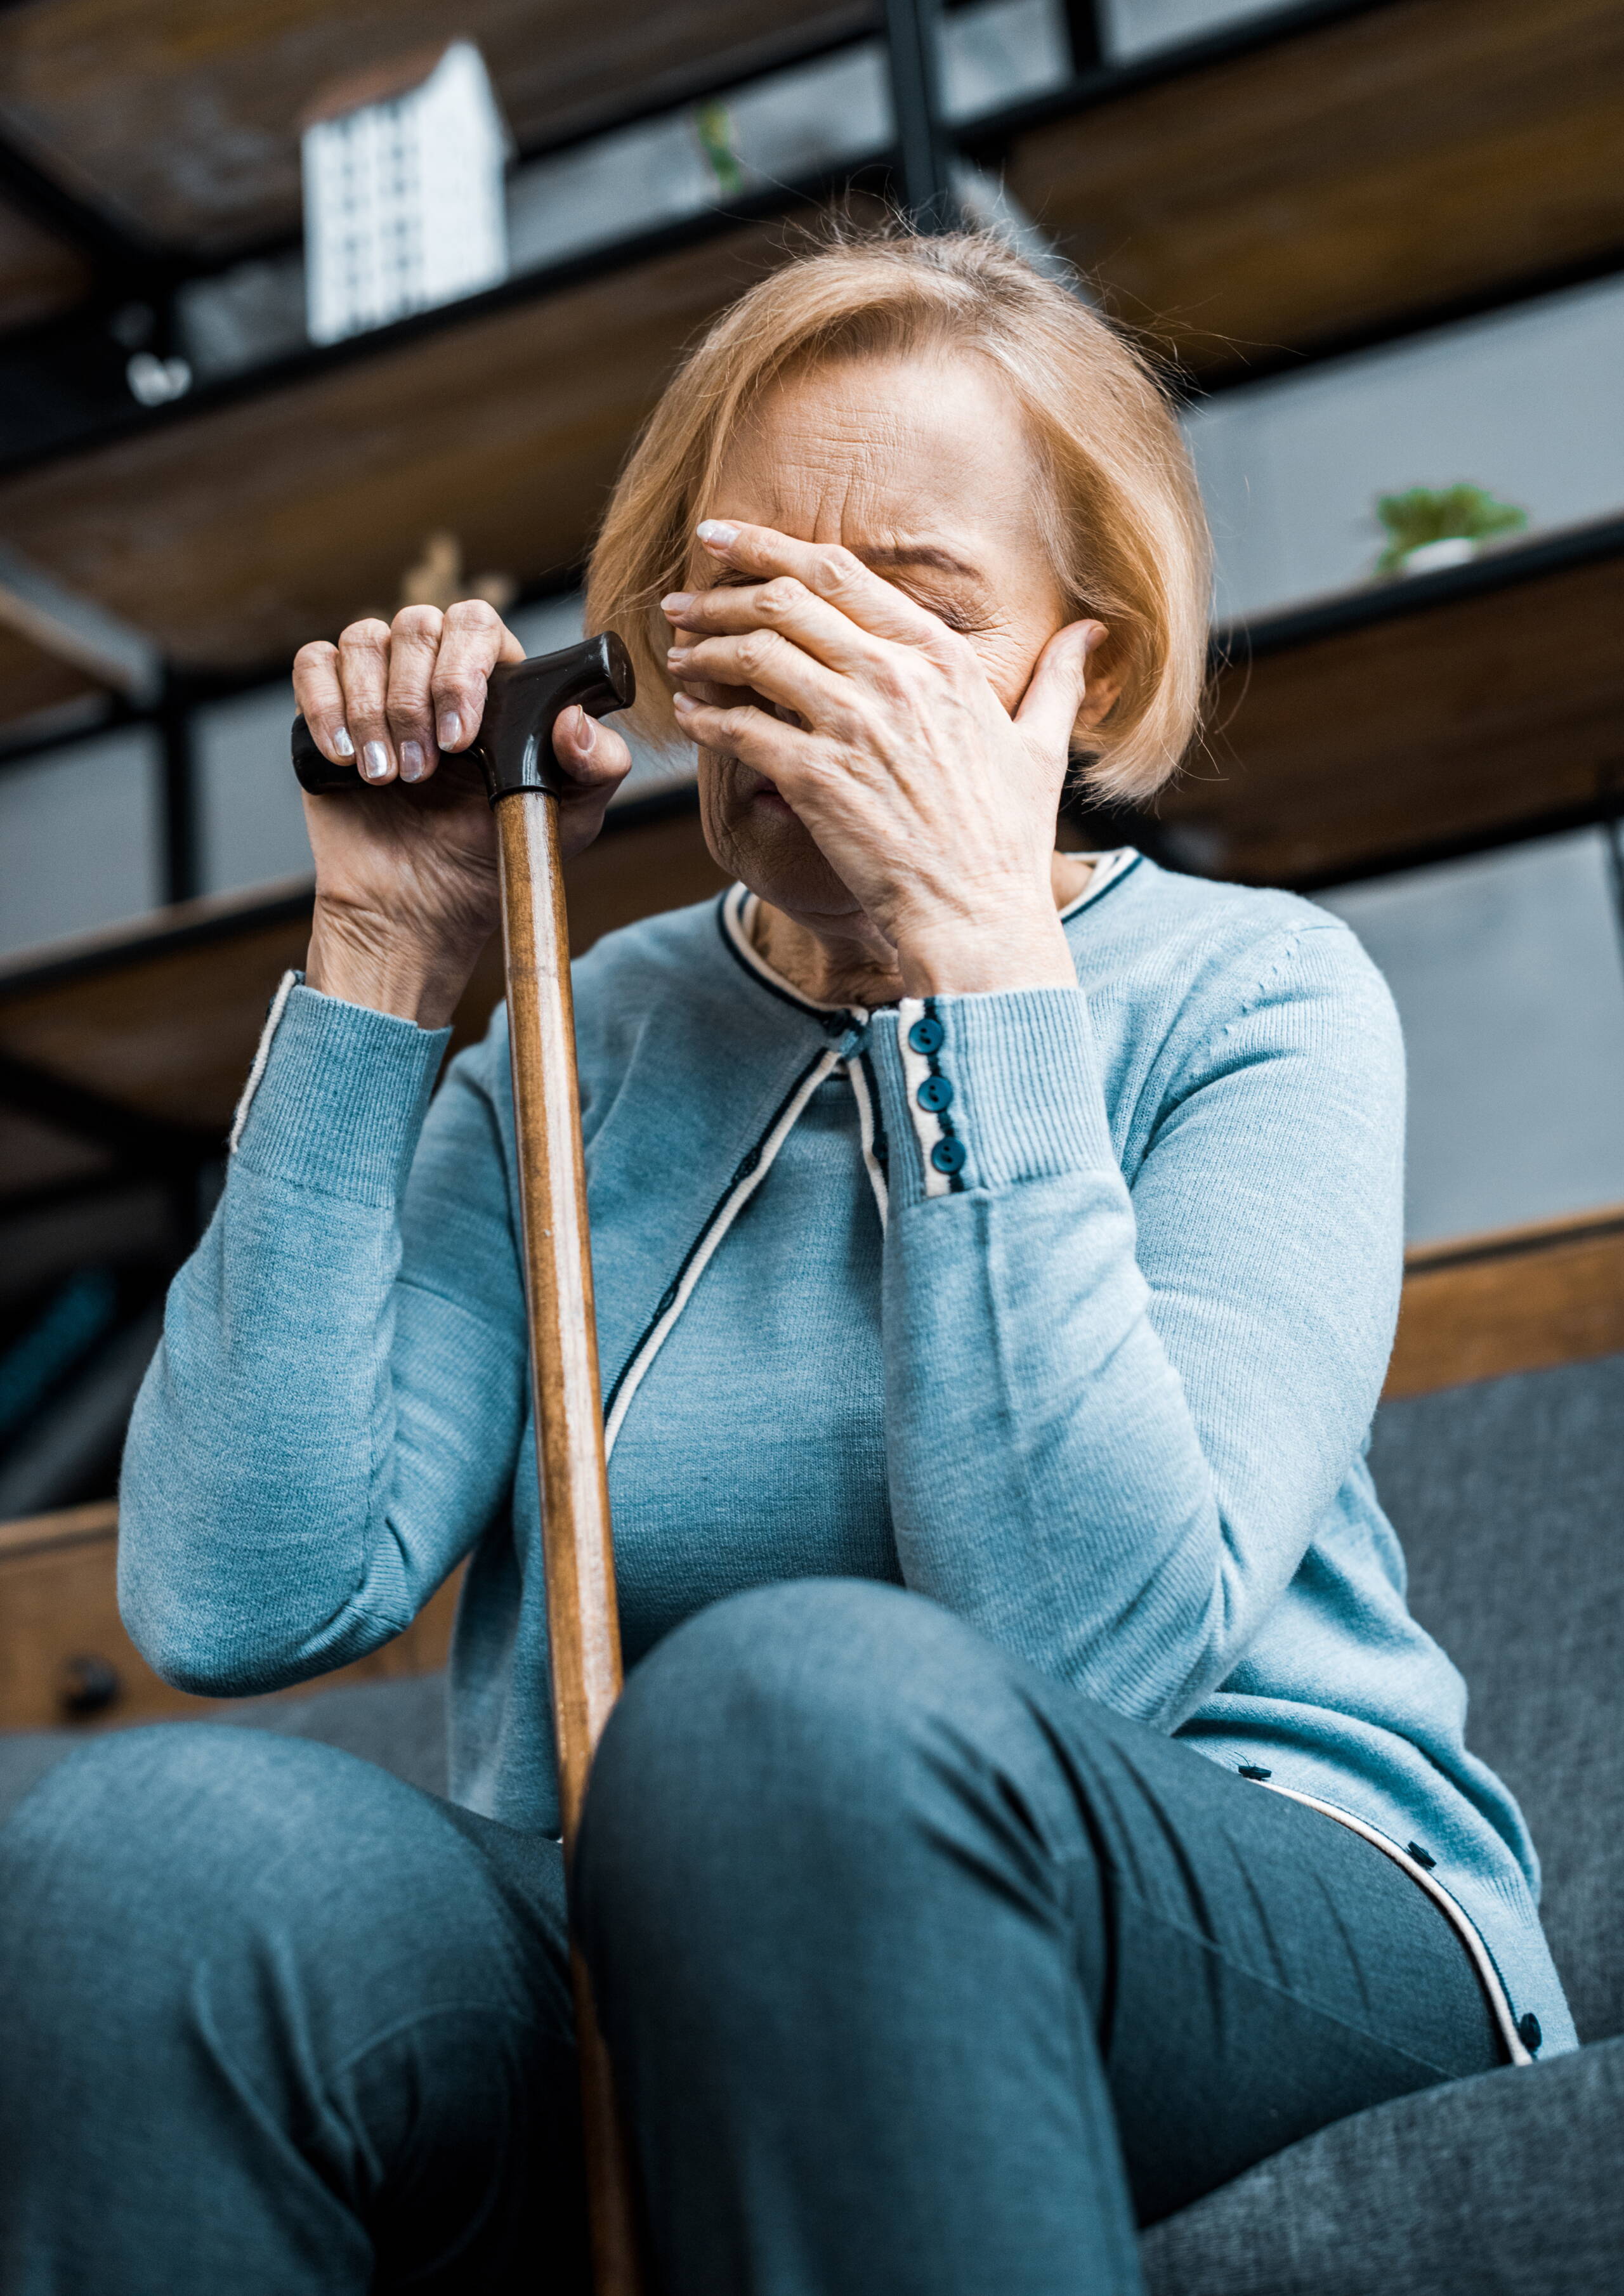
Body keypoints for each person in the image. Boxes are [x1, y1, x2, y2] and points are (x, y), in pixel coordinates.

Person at [0, 230, 1571, 2295]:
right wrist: (389, 956)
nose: (810, 673)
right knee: (127, 1864)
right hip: (665, 1919)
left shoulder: (1255, 995)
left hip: (1256, 1892)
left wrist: (975, 958)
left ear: (1073, 676)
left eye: (905, 610)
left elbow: (1086, 1644)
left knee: (781, 1700)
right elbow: (238, 1587)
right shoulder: (595, 1033)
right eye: (753, 600)